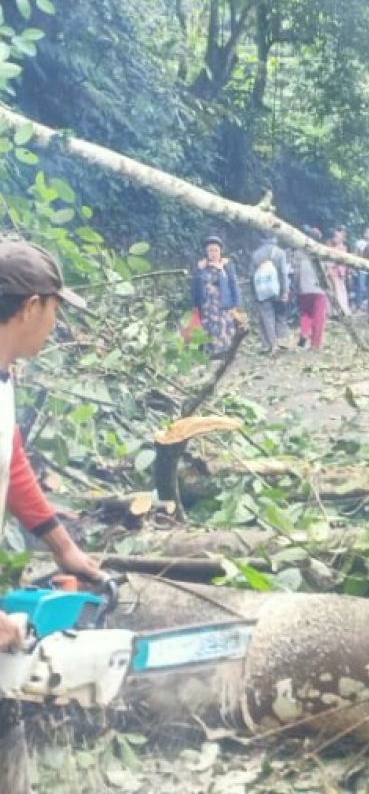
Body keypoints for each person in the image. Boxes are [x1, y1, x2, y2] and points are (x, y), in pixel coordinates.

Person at [0, 243, 108, 793]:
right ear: (29, 307)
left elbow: (11, 461)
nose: (55, 322)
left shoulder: (4, 373)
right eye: (54, 309)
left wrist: (61, 546)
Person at [191, 235, 241, 357]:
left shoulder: (226, 265)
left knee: (224, 325)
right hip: (207, 304)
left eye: (215, 250)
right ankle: (211, 351)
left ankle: (225, 351)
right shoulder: (202, 267)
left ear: (220, 251)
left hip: (223, 302)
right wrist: (199, 270)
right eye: (210, 251)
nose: (213, 253)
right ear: (206, 253)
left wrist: (237, 303)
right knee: (209, 326)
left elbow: (233, 284)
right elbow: (195, 287)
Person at [250, 234, 290, 354]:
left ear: (261, 239)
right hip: (277, 289)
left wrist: (255, 293)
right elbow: (283, 273)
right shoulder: (280, 253)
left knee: (267, 317)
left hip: (262, 291)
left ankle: (271, 345)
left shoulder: (256, 255)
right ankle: (282, 341)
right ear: (274, 239)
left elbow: (251, 275)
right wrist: (285, 290)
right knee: (280, 315)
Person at [293, 229, 328, 350]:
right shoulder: (323, 252)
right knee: (319, 316)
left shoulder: (299, 252)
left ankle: (304, 333)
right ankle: (315, 344)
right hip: (319, 289)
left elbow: (296, 272)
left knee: (305, 313)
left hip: (304, 288)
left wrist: (296, 287)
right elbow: (326, 271)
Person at [327, 226, 352, 316]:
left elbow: (341, 261)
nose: (337, 238)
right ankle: (332, 311)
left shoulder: (342, 247)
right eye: (335, 237)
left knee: (340, 290)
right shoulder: (329, 247)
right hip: (331, 272)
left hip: (338, 272)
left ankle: (343, 309)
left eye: (338, 237)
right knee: (331, 291)